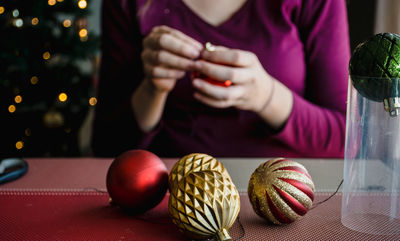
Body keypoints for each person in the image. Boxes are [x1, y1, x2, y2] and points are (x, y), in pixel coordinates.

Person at [92, 0, 350, 158]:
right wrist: (152, 88)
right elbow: (107, 145)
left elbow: (345, 138)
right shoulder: (128, 3)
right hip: (167, 194)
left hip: (282, 193)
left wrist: (266, 96)